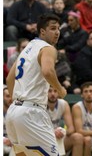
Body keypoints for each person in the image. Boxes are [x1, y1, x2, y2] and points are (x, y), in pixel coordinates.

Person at [5, 14, 67, 155]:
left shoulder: (27, 48)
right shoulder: (48, 48)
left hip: (14, 112)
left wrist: (18, 101)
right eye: (52, 28)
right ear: (42, 31)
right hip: (31, 113)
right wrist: (60, 89)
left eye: (58, 28)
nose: (57, 32)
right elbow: (48, 71)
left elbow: (9, 78)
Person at [47, 86, 84, 155]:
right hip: (45, 136)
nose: (52, 94)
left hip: (59, 137)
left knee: (78, 137)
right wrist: (53, 133)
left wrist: (63, 132)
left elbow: (71, 128)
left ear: (58, 93)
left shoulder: (64, 103)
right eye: (50, 91)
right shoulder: (40, 104)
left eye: (55, 91)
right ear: (45, 92)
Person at [3, 86, 13, 156]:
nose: (10, 99)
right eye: (7, 96)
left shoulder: (17, 114)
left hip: (13, 146)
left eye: (12, 96)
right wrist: (4, 140)